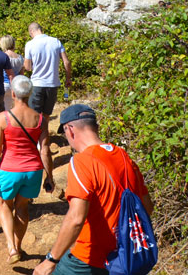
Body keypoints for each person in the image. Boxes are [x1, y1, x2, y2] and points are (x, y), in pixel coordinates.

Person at [34, 105, 154, 275]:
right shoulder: (124, 157)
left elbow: (76, 218)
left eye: (65, 133)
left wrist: (51, 260)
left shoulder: (82, 161)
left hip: (88, 257)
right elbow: (147, 206)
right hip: (122, 255)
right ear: (95, 127)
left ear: (70, 130)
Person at [0, 75, 55, 264]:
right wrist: (49, 176)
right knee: (22, 208)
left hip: (10, 169)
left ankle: (11, 247)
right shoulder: (40, 120)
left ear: (13, 93)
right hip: (33, 170)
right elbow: (46, 150)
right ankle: (19, 245)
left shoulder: (3, 118)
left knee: (5, 206)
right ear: (30, 93)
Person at [24, 22, 71, 119]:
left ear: (31, 31)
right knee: (46, 115)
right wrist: (68, 78)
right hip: (52, 83)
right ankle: (45, 134)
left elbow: (27, 67)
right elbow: (66, 62)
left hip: (37, 83)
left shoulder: (30, 44)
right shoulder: (56, 41)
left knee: (34, 115)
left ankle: (36, 134)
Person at [1, 35, 25, 111]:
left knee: (2, 109)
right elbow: (21, 74)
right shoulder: (20, 57)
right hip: (15, 85)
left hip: (4, 84)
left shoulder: (3, 56)